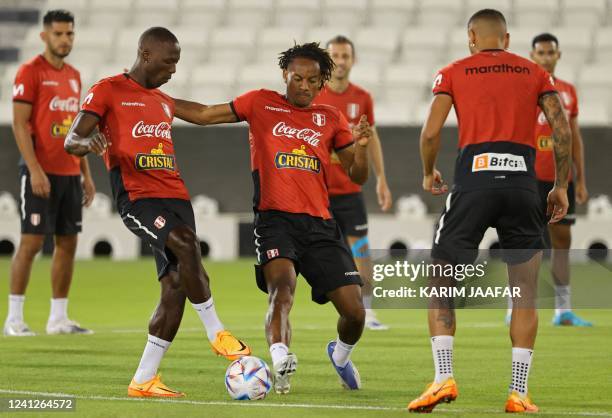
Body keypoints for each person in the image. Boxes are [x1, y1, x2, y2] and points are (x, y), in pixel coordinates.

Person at [172, 42, 372, 394]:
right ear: (285, 75)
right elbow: (205, 114)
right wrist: (159, 102)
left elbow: (357, 176)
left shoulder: (331, 119)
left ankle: (340, 357)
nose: (305, 86)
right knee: (282, 288)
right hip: (274, 219)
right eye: (298, 78)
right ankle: (280, 358)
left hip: (320, 225)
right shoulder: (260, 102)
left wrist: (363, 147)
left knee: (355, 311)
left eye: (313, 80)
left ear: (322, 81)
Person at [64, 27, 250, 398]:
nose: (174, 69)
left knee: (176, 287)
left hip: (175, 197)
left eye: (177, 62)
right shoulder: (108, 90)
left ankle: (144, 379)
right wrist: (89, 142)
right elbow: (72, 139)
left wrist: (249, 109)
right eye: (169, 61)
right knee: (186, 243)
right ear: (146, 55)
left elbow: (203, 113)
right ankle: (217, 333)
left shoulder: (163, 101)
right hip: (137, 197)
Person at [407, 9, 571, 413]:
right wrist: (561, 186)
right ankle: (519, 392)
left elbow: (430, 132)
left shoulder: (454, 71)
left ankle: (443, 377)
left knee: (441, 282)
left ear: (471, 37)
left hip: (473, 183)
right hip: (523, 187)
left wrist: (429, 172)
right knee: (525, 293)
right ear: (508, 39)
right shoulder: (535, 73)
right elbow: (561, 128)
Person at [4, 9, 96, 337]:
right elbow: (18, 123)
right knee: (30, 242)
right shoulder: (30, 72)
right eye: (58, 34)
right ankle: (14, 319)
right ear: (44, 36)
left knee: (68, 243)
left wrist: (86, 174)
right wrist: (34, 169)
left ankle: (58, 318)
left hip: (69, 172)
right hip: (39, 173)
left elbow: (77, 132)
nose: (65, 39)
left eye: (69, 33)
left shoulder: (73, 75)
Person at [312, 35, 393, 331]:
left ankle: (367, 311)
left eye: (346, 56)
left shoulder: (362, 98)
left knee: (360, 250)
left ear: (353, 60)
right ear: (327, 60)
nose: (341, 61)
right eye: (336, 55)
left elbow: (370, 139)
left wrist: (382, 179)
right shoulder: (314, 96)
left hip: (349, 191)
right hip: (315, 191)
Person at [514, 33, 590, 327]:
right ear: (532, 56)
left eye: (550, 52)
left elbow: (575, 139)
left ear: (558, 55)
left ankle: (563, 309)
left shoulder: (569, 92)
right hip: (528, 177)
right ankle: (516, 307)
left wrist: (580, 179)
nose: (546, 57)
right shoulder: (524, 89)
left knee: (562, 242)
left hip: (561, 178)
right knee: (523, 242)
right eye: (541, 53)